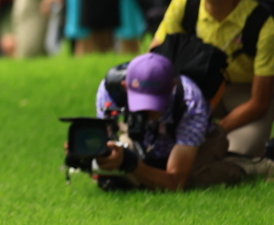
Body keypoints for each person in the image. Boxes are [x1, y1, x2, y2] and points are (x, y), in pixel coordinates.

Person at [150, 0, 274, 157]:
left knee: (236, 155)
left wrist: (213, 130)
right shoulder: (183, 3)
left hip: (244, 94)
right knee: (160, 147)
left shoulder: (263, 23)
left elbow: (260, 102)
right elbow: (154, 58)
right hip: (195, 89)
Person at [91, 53, 273, 190]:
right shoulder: (109, 92)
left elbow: (176, 180)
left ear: (172, 86)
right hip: (148, 141)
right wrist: (90, 152)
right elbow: (107, 143)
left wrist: (129, 164)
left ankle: (245, 167)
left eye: (154, 103)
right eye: (141, 102)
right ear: (125, 86)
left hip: (204, 140)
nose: (148, 111)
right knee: (117, 176)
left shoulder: (190, 101)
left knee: (190, 179)